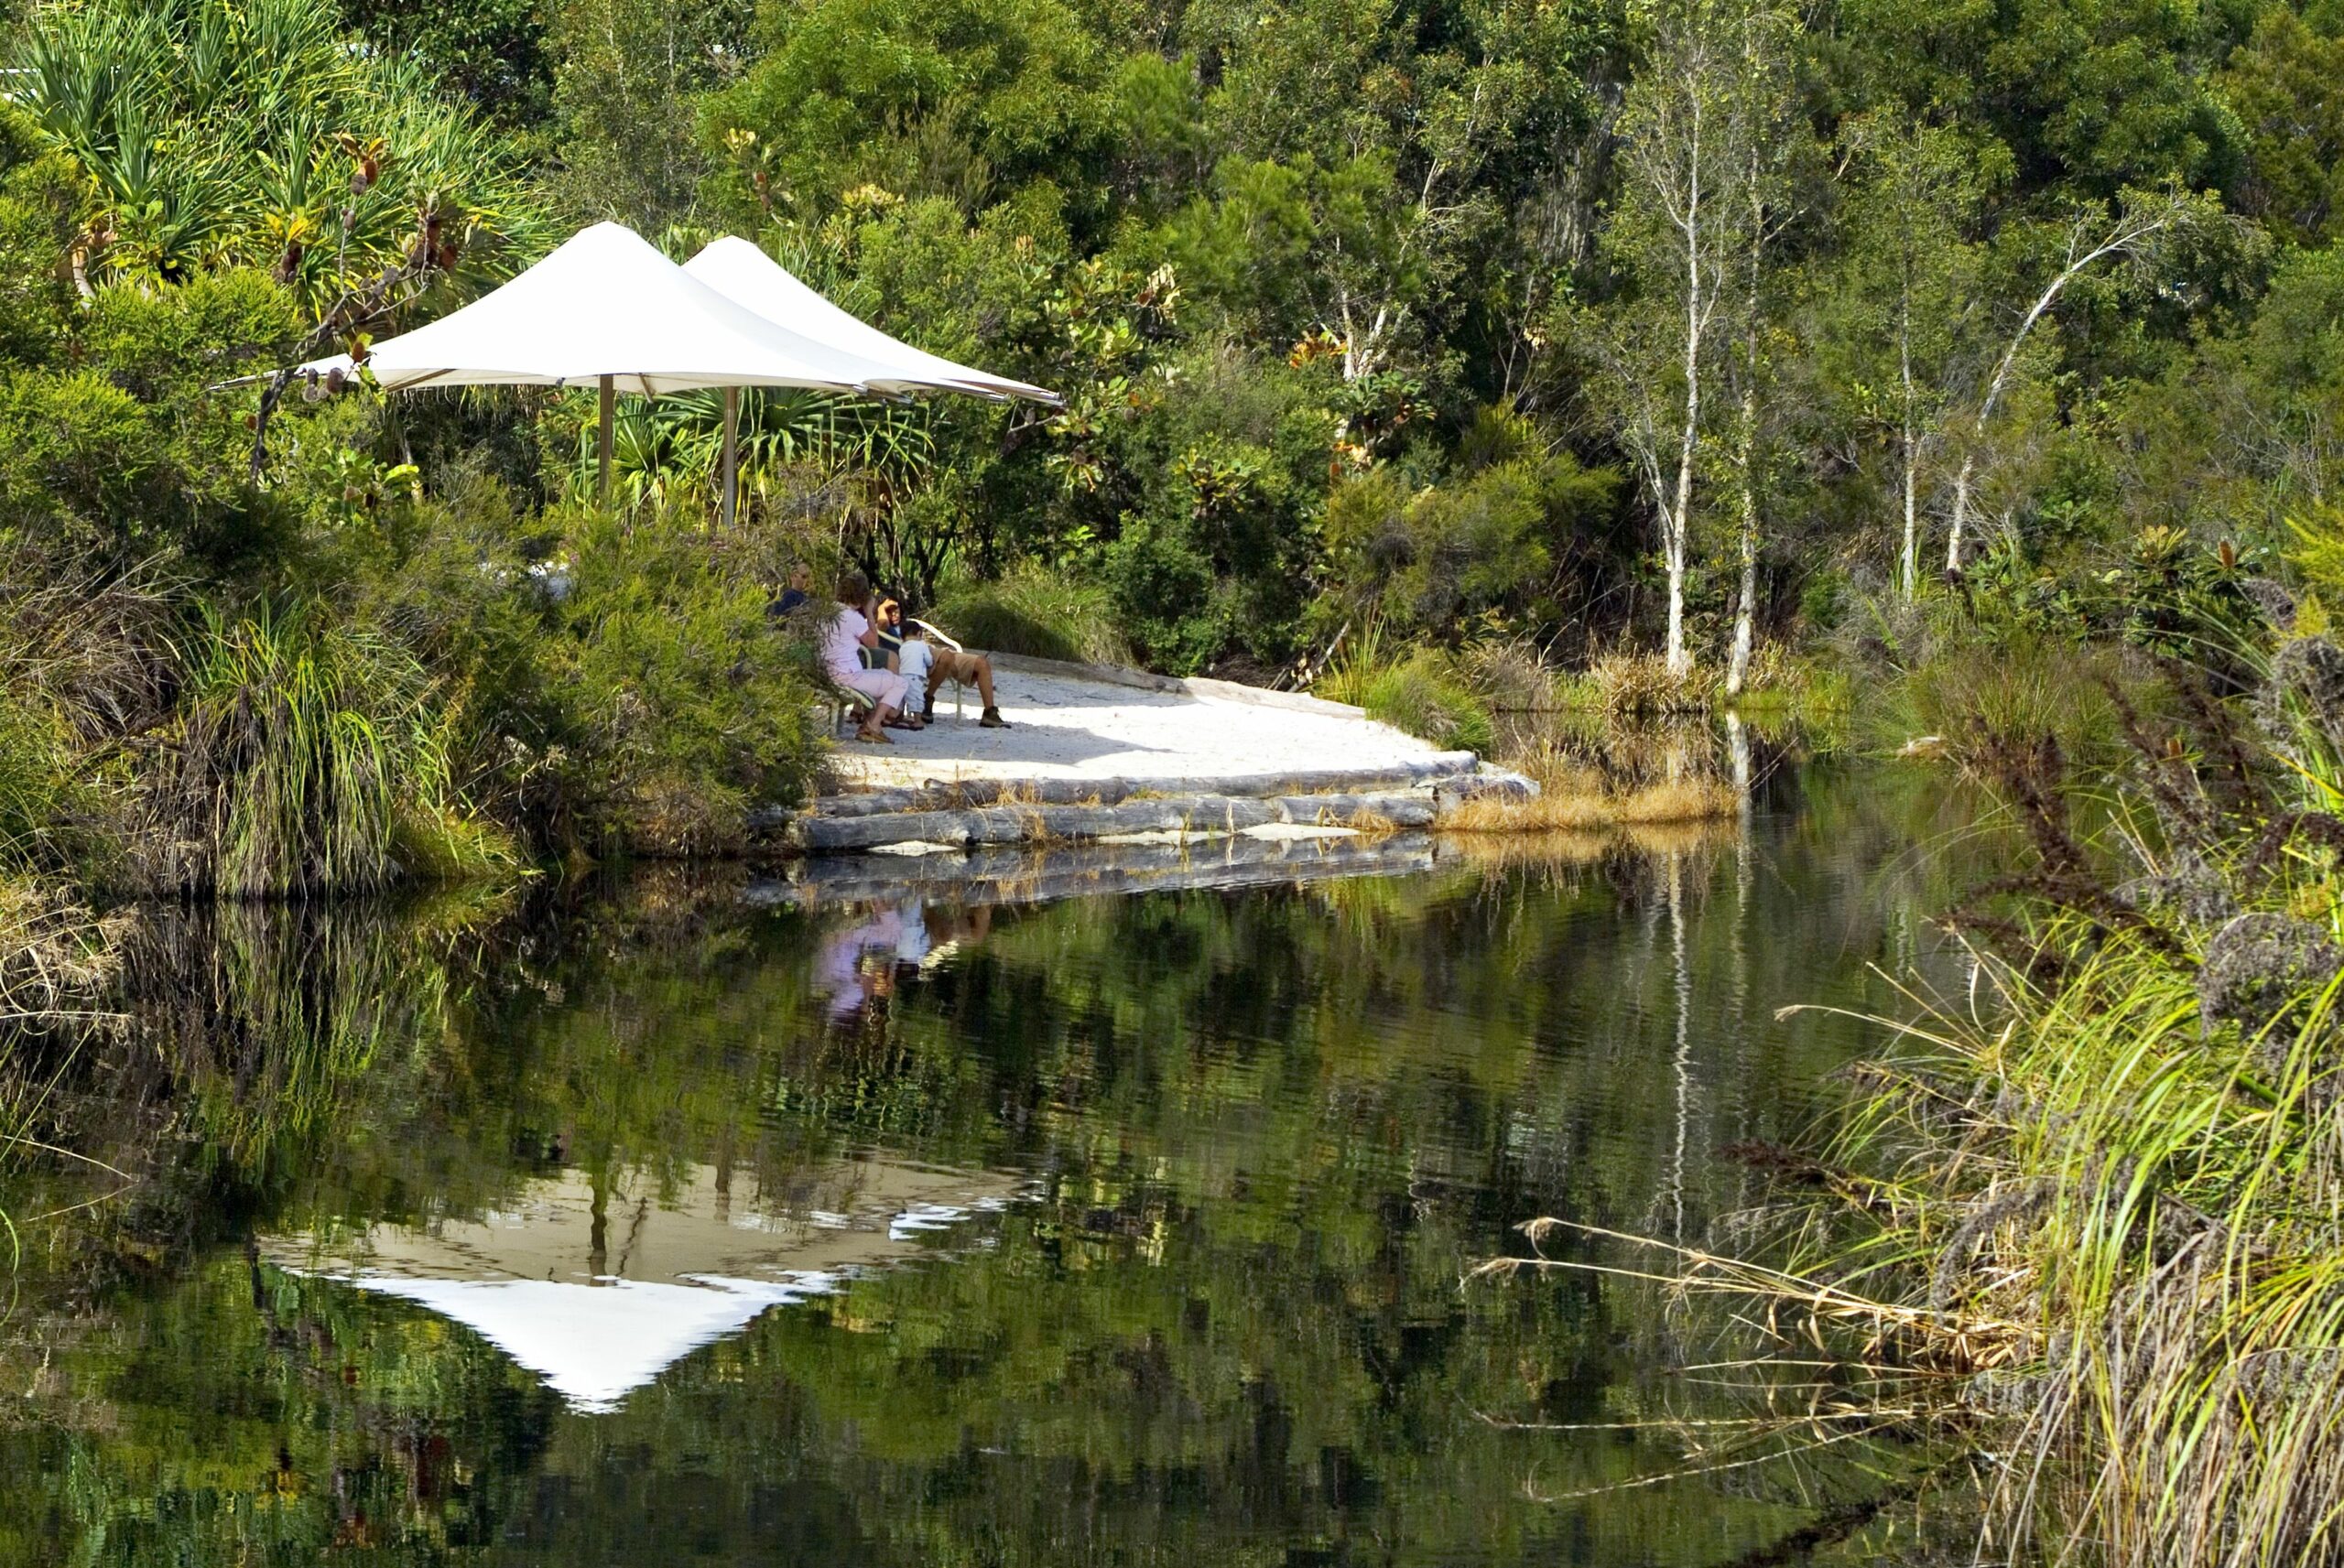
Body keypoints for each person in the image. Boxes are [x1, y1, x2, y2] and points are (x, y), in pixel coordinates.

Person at [823, 569, 917, 742]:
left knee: (882, 675)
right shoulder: (852, 618)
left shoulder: (828, 613)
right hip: (848, 677)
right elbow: (873, 643)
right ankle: (873, 724)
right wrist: (868, 612)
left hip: (828, 673)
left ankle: (870, 721)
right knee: (899, 683)